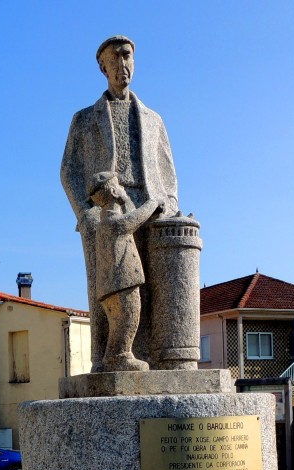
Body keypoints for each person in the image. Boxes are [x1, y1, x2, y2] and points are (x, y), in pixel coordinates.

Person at [61, 35, 179, 372]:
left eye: (127, 57)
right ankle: (109, 358)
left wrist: (167, 204)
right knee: (109, 291)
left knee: (151, 289)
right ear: (103, 67)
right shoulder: (84, 118)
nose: (122, 65)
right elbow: (68, 170)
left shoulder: (153, 118)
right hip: (105, 209)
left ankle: (159, 360)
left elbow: (168, 170)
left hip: (149, 206)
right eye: (115, 59)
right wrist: (85, 214)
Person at [87, 171, 165, 371]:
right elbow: (135, 218)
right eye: (119, 187)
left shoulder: (105, 223)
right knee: (128, 317)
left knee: (119, 321)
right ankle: (120, 355)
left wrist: (126, 198)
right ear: (113, 191)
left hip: (112, 285)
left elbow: (130, 213)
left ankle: (114, 355)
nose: (122, 190)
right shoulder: (113, 223)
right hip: (122, 282)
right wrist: (153, 202)